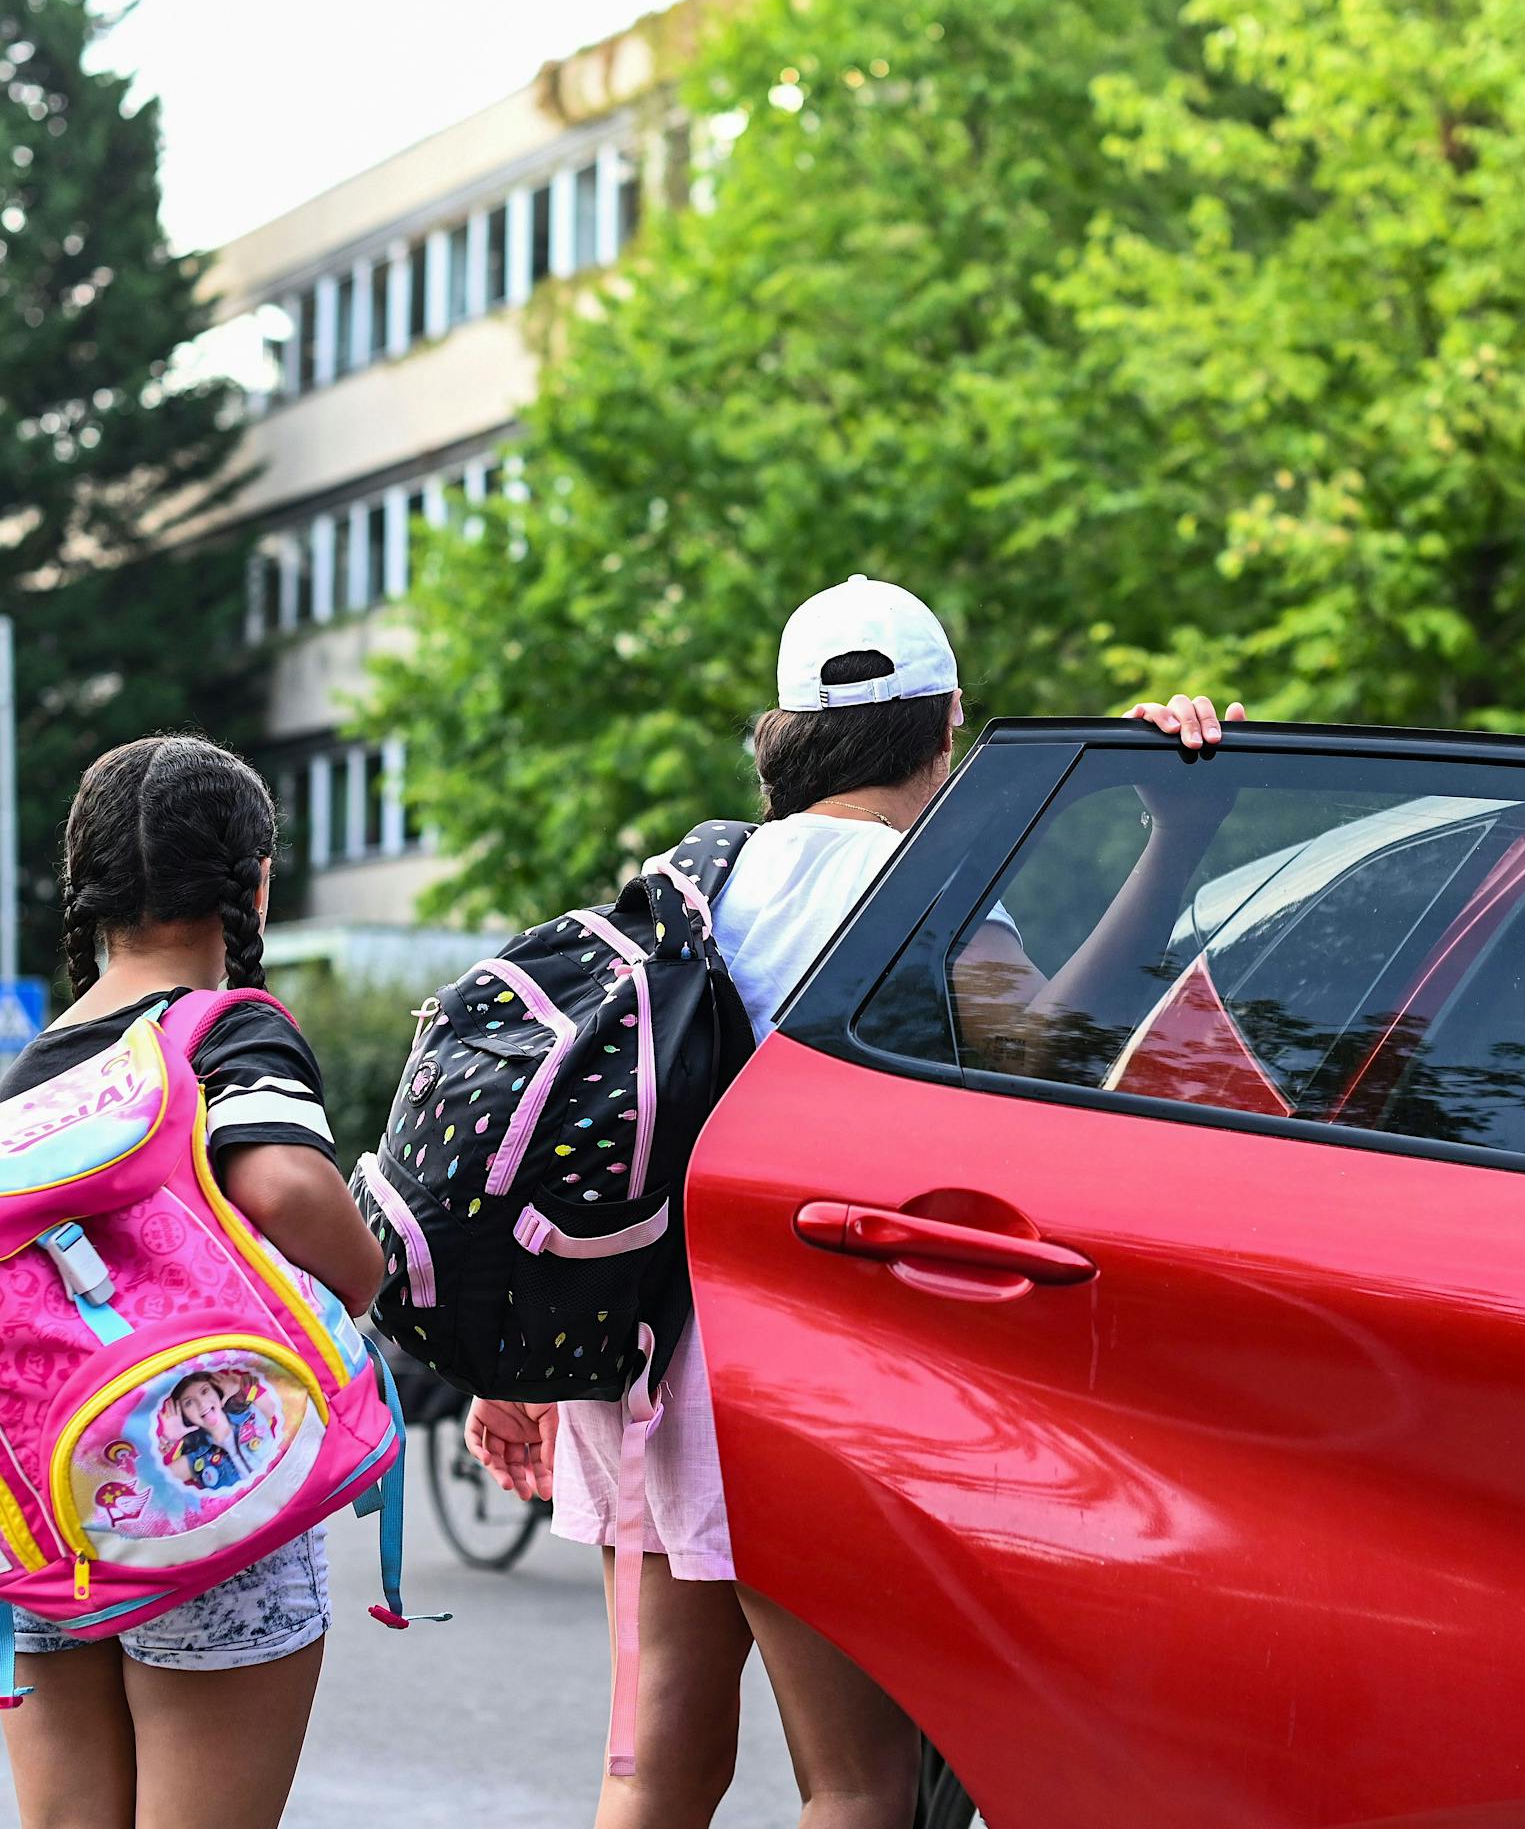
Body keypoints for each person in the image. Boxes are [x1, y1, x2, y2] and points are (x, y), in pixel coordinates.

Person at [467, 574, 1242, 1829]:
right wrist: (1175, 844)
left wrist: (525, 1359)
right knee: (856, 1785)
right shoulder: (915, 884)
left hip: (640, 1344)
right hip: (786, 1366)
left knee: (655, 1764)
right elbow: (1044, 1051)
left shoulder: (691, 871)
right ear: (947, 723)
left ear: (783, 735)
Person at [0, 735, 386, 1829]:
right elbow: (284, 1182)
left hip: (45, 1516)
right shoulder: (226, 1030)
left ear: (88, 894)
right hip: (211, 1487)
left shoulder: (27, 1077)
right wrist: (365, 1276)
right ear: (254, 883)